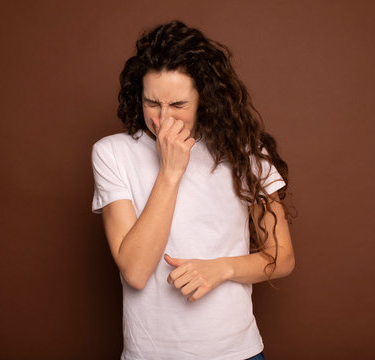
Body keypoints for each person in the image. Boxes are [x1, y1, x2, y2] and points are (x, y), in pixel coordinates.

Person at [91, 20, 295, 360]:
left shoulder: (243, 151)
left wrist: (221, 268)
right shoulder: (112, 153)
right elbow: (136, 271)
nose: (162, 119)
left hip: (236, 353)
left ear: (204, 99)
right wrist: (171, 172)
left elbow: (282, 257)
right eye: (151, 103)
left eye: (178, 106)